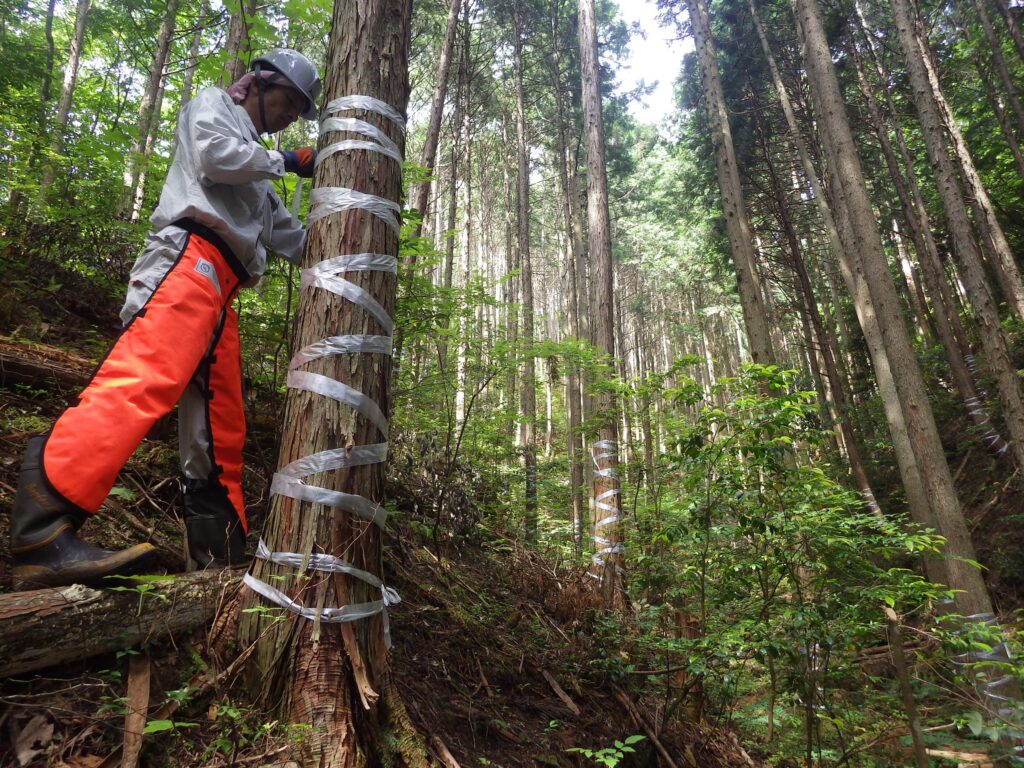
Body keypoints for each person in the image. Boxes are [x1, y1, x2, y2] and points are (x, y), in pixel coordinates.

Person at [8, 49, 321, 589]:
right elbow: (213, 156)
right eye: (287, 99)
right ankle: (42, 531)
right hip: (187, 259)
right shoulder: (215, 108)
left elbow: (294, 239)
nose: (291, 112)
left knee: (220, 427)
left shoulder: (261, 175)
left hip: (223, 288)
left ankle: (219, 558)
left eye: (299, 107)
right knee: (140, 382)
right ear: (256, 83)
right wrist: (290, 160)